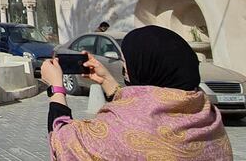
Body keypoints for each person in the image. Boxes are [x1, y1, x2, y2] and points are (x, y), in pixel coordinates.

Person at [41, 25, 232, 160]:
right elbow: (144, 106)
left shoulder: (124, 133)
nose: (125, 70)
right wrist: (108, 82)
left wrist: (57, 88)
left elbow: (63, 142)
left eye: (126, 64)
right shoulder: (207, 118)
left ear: (148, 69)